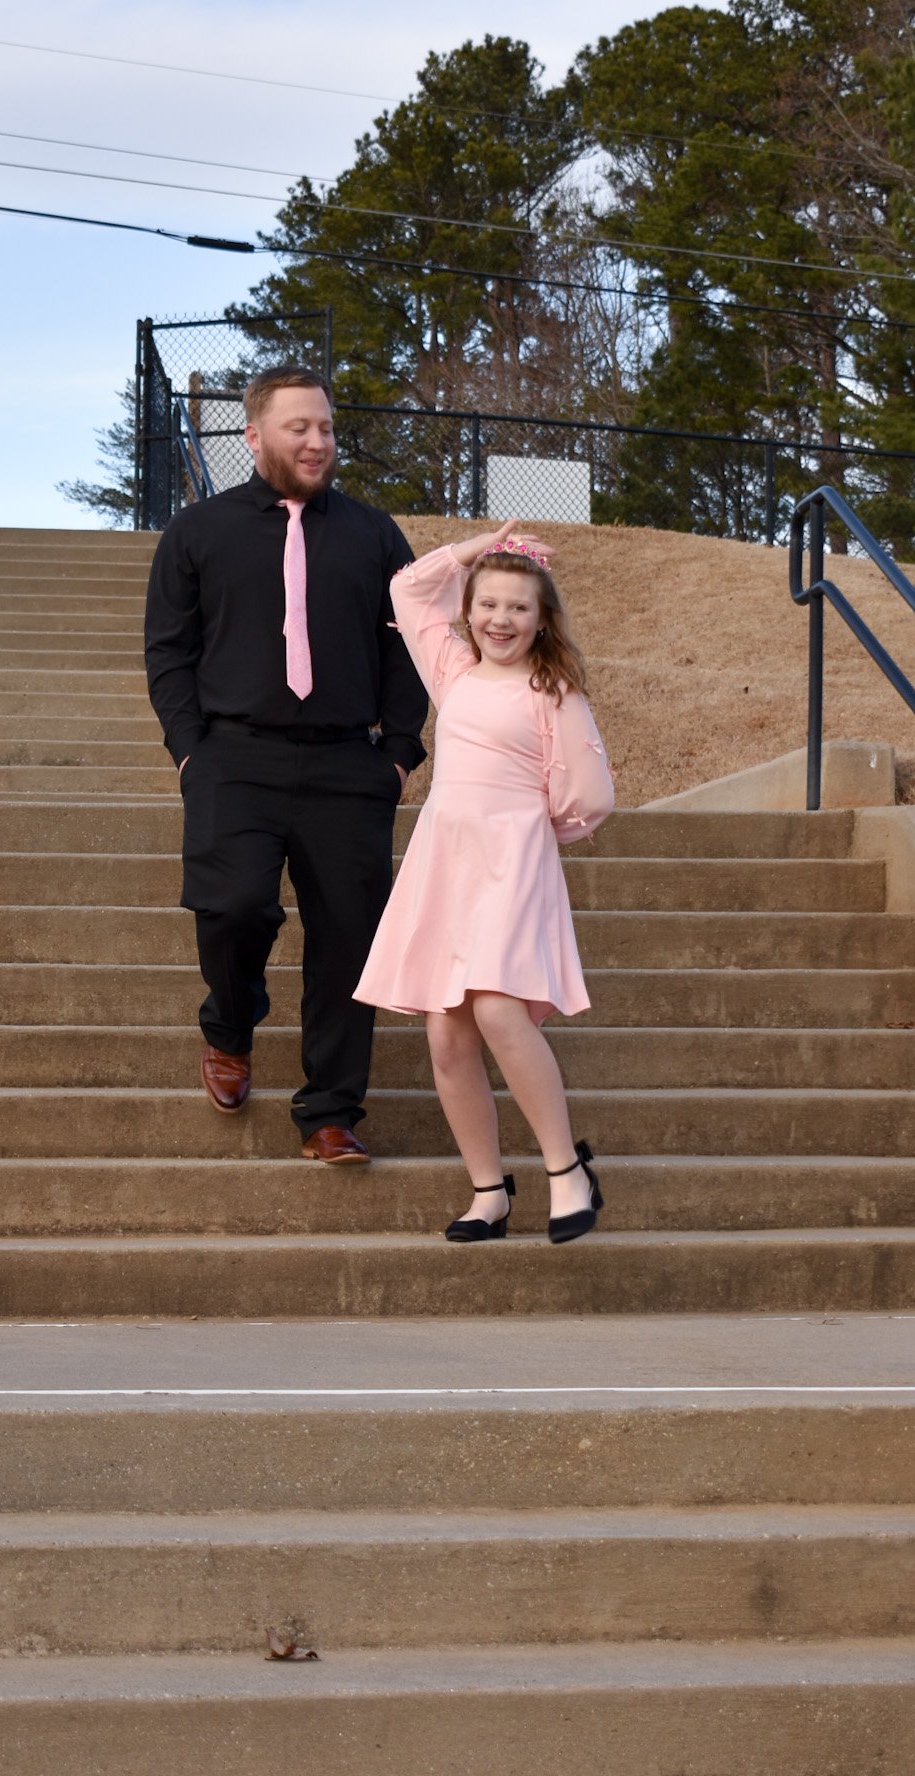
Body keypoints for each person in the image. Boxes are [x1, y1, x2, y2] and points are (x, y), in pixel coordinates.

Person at [144, 364, 427, 1165]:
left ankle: (330, 1111)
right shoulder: (197, 533)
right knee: (233, 906)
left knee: (347, 940)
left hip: (348, 764)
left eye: (327, 427)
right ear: (254, 435)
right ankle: (230, 1030)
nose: (316, 440)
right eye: (298, 426)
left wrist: (399, 752)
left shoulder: (375, 535)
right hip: (234, 757)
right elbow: (168, 651)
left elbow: (409, 646)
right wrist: (190, 748)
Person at [354, 518, 615, 1241]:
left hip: (512, 859)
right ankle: (488, 1190)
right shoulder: (452, 671)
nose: (500, 619)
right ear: (468, 609)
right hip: (447, 861)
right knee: (445, 1034)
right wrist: (478, 550)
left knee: (499, 1010)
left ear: (541, 619)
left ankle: (566, 1172)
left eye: (518, 607)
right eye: (487, 603)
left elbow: (591, 796)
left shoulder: (552, 691)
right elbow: (409, 586)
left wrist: (532, 829)